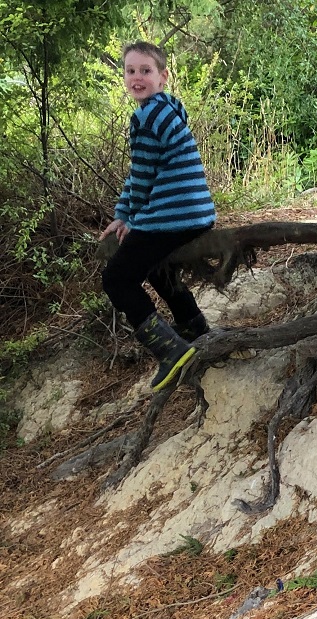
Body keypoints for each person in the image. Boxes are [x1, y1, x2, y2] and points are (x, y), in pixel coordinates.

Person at [100, 41, 217, 392]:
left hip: (173, 215)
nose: (137, 77)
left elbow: (144, 176)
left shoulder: (146, 116)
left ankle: (169, 350)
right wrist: (124, 214)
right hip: (195, 212)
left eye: (145, 71)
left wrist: (133, 219)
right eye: (130, 70)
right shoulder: (167, 109)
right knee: (155, 265)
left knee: (116, 280)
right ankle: (194, 329)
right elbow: (140, 173)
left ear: (162, 76)